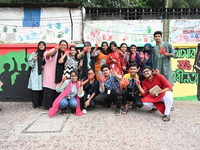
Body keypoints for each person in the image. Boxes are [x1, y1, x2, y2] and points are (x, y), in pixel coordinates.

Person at [42, 40, 68, 109]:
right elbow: (46, 55)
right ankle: (48, 106)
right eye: (62, 44)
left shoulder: (64, 54)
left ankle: (55, 105)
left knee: (57, 89)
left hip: (58, 75)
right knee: (49, 89)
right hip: (50, 73)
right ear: (59, 45)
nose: (63, 46)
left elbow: (61, 61)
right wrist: (54, 51)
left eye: (65, 45)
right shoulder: (55, 50)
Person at [28, 41, 46, 109]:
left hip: (44, 73)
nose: (41, 46)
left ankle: (40, 103)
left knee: (42, 88)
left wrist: (45, 65)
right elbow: (30, 64)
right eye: (40, 45)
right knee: (35, 89)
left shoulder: (46, 54)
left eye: (43, 45)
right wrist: (34, 60)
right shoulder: (34, 53)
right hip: (35, 73)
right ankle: (35, 104)